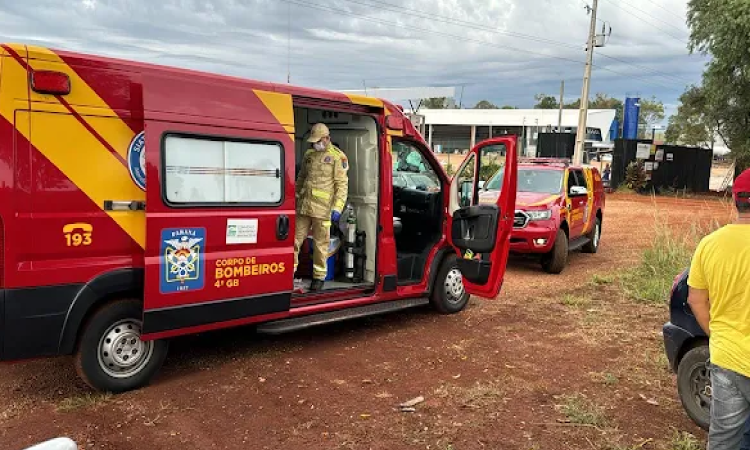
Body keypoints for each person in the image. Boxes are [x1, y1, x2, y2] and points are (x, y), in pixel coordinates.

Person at [687, 168, 750, 449]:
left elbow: (695, 300)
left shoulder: (709, 244)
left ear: (735, 200)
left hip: (727, 357)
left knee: (725, 438)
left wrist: (720, 335)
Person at [293, 123, 349, 291]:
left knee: (320, 245)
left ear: (327, 138)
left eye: (318, 141)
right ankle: (288, 274)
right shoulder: (308, 154)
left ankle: (319, 278)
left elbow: (341, 185)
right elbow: (301, 178)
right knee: (294, 241)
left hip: (323, 210)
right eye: (313, 141)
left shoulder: (337, 157)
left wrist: (338, 208)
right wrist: (294, 198)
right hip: (304, 207)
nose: (315, 144)